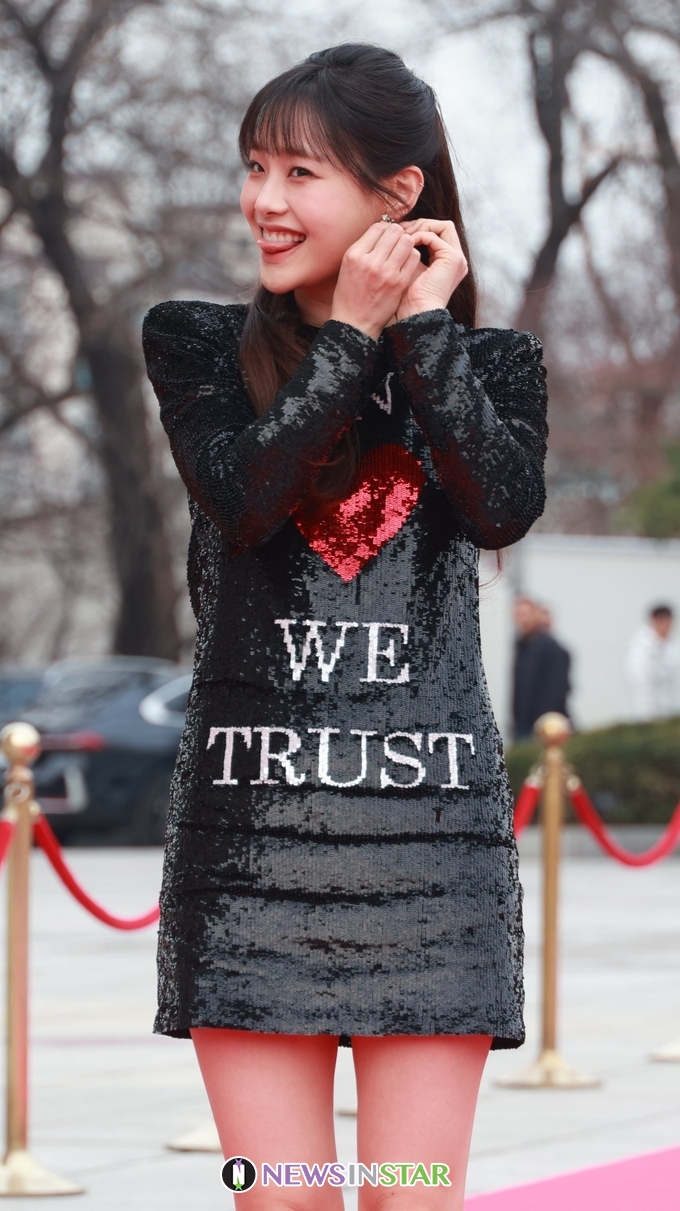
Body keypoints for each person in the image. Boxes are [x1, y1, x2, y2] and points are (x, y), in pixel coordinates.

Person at [142, 44, 548, 1210]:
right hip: (249, 855)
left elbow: (499, 506)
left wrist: (418, 330)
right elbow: (245, 499)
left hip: (432, 859)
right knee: (278, 1195)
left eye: (298, 172)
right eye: (253, 167)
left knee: (410, 1192)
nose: (262, 201)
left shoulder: (489, 365)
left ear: (396, 193)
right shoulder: (195, 340)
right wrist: (348, 339)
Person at [512, 596, 571, 741]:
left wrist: (544, 723)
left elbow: (556, 690)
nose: (523, 620)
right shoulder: (521, 646)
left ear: (535, 615)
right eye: (518, 615)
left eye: (525, 614)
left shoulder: (551, 647)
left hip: (544, 727)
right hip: (522, 725)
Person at [625, 604, 680, 721]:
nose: (668, 627)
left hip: (669, 712)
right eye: (664, 621)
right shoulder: (640, 647)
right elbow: (641, 684)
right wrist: (648, 715)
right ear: (654, 621)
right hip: (645, 715)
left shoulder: (671, 645)